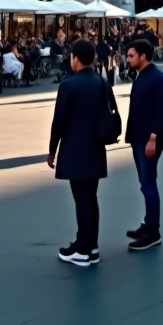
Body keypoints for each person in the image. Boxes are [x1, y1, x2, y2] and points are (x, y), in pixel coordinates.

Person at [47, 36, 113, 266]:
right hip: (96, 146)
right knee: (91, 198)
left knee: (81, 199)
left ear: (75, 58)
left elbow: (59, 121)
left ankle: (83, 250)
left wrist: (51, 149)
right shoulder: (102, 82)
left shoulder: (68, 84)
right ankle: (90, 245)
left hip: (75, 148)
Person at [124, 37, 163, 251]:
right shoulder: (142, 76)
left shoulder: (157, 78)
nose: (128, 59)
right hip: (138, 138)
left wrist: (154, 138)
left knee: (148, 183)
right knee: (145, 183)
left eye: (131, 56)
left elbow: (162, 112)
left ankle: (153, 231)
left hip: (148, 140)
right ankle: (148, 223)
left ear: (143, 56)